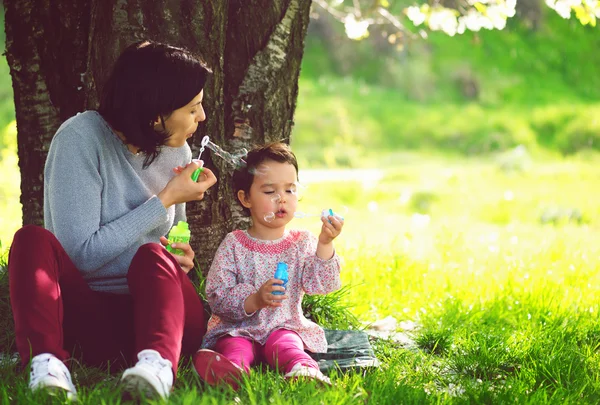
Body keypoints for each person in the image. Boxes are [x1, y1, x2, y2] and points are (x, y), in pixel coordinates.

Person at [8, 40, 218, 401]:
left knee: (154, 256)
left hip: (162, 319)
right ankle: (47, 368)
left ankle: (156, 369)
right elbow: (81, 254)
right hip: (93, 319)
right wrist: (165, 198)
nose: (201, 118)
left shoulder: (178, 150)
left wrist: (181, 258)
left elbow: (173, 239)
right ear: (155, 116)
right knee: (30, 240)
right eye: (193, 108)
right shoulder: (80, 140)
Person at [192, 142, 344, 389]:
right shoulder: (234, 244)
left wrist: (325, 243)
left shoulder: (302, 242)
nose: (281, 199)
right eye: (269, 191)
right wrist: (255, 300)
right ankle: (233, 371)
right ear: (246, 198)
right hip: (238, 328)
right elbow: (217, 295)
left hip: (284, 325)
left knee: (286, 345)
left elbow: (321, 285)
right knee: (234, 346)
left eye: (290, 190)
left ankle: (303, 369)